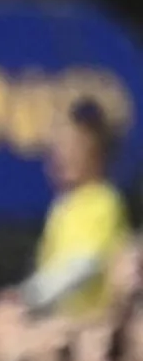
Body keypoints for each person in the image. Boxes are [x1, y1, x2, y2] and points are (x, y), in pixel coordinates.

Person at [21, 99, 132, 320]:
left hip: (93, 329)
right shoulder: (63, 207)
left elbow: (83, 266)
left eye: (72, 147)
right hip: (59, 325)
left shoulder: (103, 201)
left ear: (96, 153)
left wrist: (25, 299)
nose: (61, 156)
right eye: (58, 147)